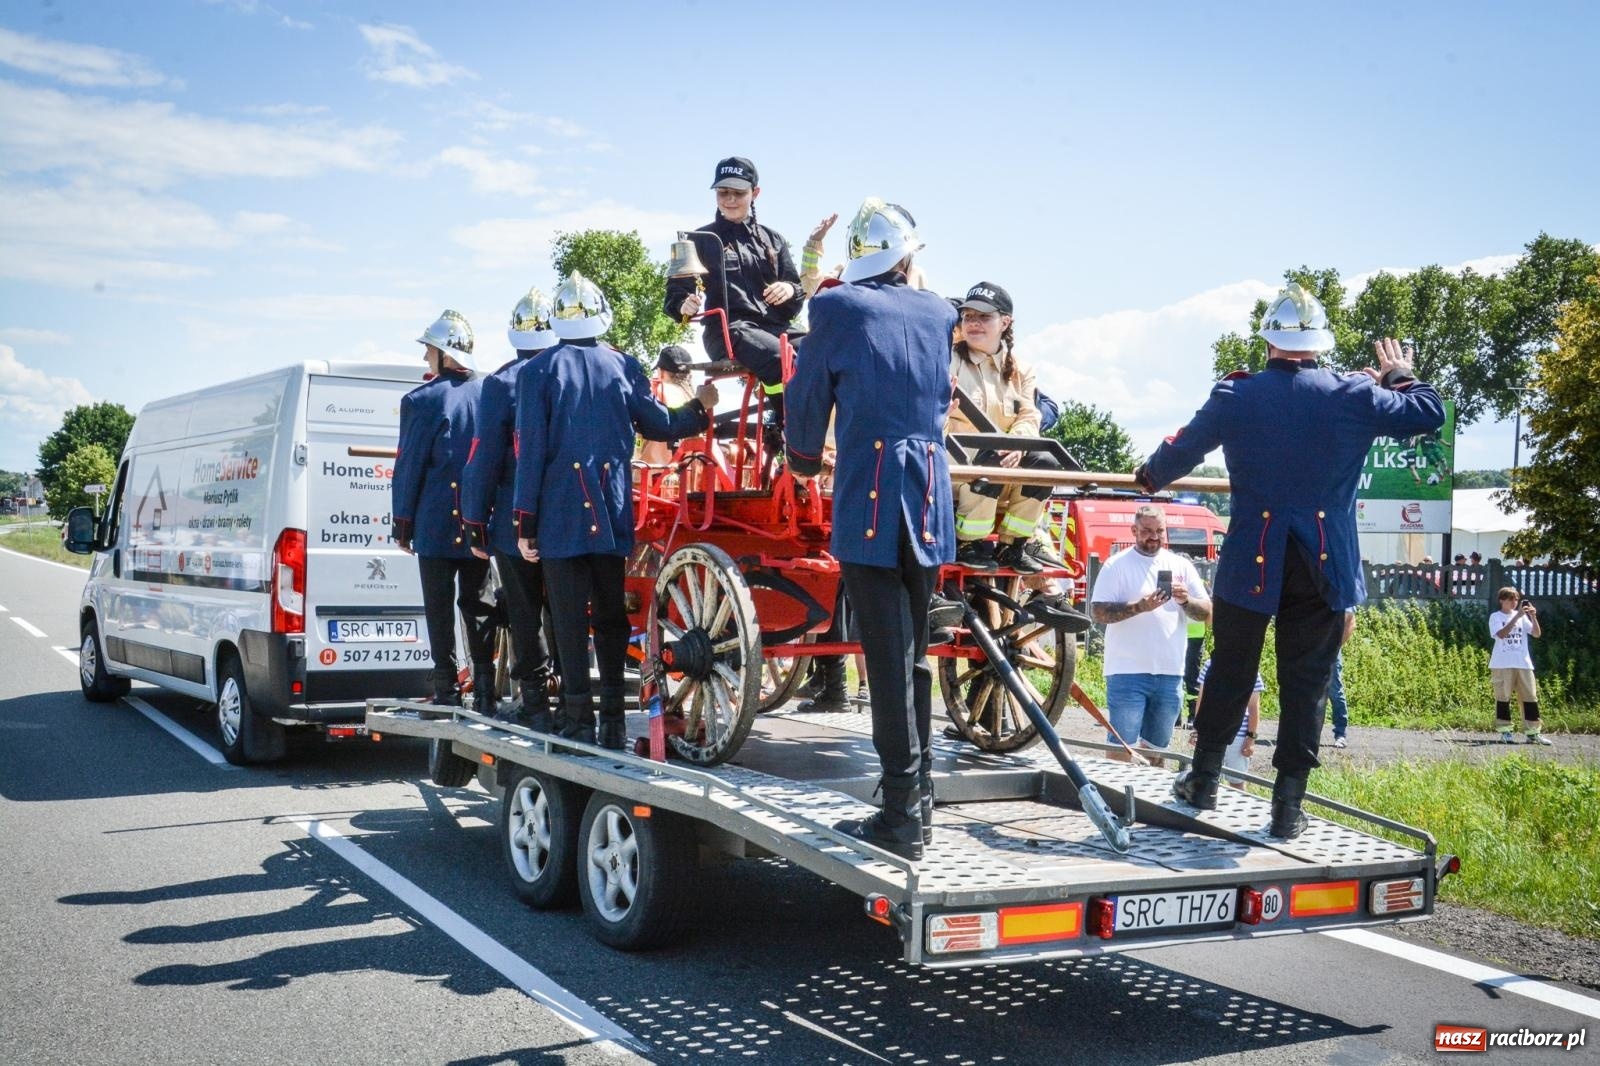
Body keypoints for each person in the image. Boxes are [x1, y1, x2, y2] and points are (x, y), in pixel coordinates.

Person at [1139, 283, 1446, 838]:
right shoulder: (1352, 394)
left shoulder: (1238, 395)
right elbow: (1428, 412)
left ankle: (1204, 781)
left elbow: (1176, 454)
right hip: (1323, 563)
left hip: (1252, 560)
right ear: (1319, 343)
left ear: (1269, 343)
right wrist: (1397, 375)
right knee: (1307, 684)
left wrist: (1148, 474)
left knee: (1231, 671)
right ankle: (1287, 809)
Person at [785, 198, 958, 860]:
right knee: (912, 658)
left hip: (875, 495)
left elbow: (807, 394)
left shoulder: (836, 307)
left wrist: (802, 458)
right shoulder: (940, 310)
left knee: (886, 659)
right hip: (929, 496)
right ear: (909, 256)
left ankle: (901, 820)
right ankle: (918, 805)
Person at [514, 273, 717, 749]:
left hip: (559, 510)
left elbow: (530, 453)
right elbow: (662, 426)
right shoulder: (623, 364)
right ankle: (612, 723)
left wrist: (526, 521)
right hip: (611, 508)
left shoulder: (535, 372)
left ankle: (579, 719)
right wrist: (701, 408)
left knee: (566, 619)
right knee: (610, 617)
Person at [462, 288, 558, 727]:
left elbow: (483, 459)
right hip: (560, 515)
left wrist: (475, 523)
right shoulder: (562, 372)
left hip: (511, 516)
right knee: (562, 604)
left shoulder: (500, 383)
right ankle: (572, 696)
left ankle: (535, 701)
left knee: (523, 610)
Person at [393, 310, 495, 709]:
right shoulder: (491, 390)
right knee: (479, 608)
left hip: (435, 522)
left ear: (446, 354)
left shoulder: (422, 400)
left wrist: (402, 524)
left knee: (438, 609)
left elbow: (409, 466)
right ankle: (485, 690)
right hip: (479, 523)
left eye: (430, 351)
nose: (425, 359)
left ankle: (448, 690)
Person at [664, 157, 803, 398]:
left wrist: (789, 290)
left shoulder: (773, 240)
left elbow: (796, 294)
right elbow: (675, 295)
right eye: (723, 192)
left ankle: (827, 428)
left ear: (755, 193)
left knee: (824, 349)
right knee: (781, 358)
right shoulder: (699, 240)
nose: (730, 200)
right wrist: (683, 304)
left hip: (775, 328)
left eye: (738, 193)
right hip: (728, 331)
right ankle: (788, 424)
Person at [946, 281, 1055, 574]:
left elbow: (1029, 417)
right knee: (991, 459)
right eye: (968, 316)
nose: (974, 323)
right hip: (954, 469)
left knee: (1045, 462)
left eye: (984, 317)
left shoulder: (1021, 369)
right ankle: (967, 542)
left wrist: (1017, 446)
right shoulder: (948, 359)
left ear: (1005, 322)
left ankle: (1013, 546)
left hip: (1001, 467)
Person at [1089, 505, 1212, 763]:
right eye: (1146, 530)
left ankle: (1148, 801)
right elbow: (1098, 612)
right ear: (1134, 530)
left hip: (1170, 672)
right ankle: (1115, 798)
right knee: (1122, 746)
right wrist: (1140, 606)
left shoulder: (1181, 565)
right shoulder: (1117, 565)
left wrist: (1185, 600)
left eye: (1159, 531)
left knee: (1156, 750)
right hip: (1126, 670)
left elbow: (1206, 612)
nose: (1153, 536)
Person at [1489, 587, 1550, 744]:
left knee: (1530, 698)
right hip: (1502, 664)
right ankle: (1505, 731)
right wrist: (1516, 618)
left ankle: (1533, 733)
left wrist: (1533, 616)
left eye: (1516, 599)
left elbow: (1536, 634)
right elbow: (1501, 635)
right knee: (1503, 697)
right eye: (1510, 599)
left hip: (1523, 663)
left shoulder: (1523, 617)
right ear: (1502, 600)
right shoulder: (1495, 616)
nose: (1514, 602)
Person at [1194, 656, 1260, 789]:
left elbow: (1254, 707)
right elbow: (1201, 699)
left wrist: (1251, 738)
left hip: (1238, 734)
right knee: (1204, 776)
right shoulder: (1210, 663)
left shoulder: (1250, 666)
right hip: (1210, 731)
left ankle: (1240, 808)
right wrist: (1196, 730)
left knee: (1236, 780)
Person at [638, 344, 696, 466]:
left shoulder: (657, 390)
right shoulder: (695, 398)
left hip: (654, 472)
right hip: (686, 473)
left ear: (662, 372)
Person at [1327, 609, 1356, 748]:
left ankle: (1341, 733)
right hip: (1311, 646)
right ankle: (1302, 734)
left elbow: (1350, 621)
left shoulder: (1342, 592)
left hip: (1331, 649)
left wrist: (1335, 647)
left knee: (1335, 692)